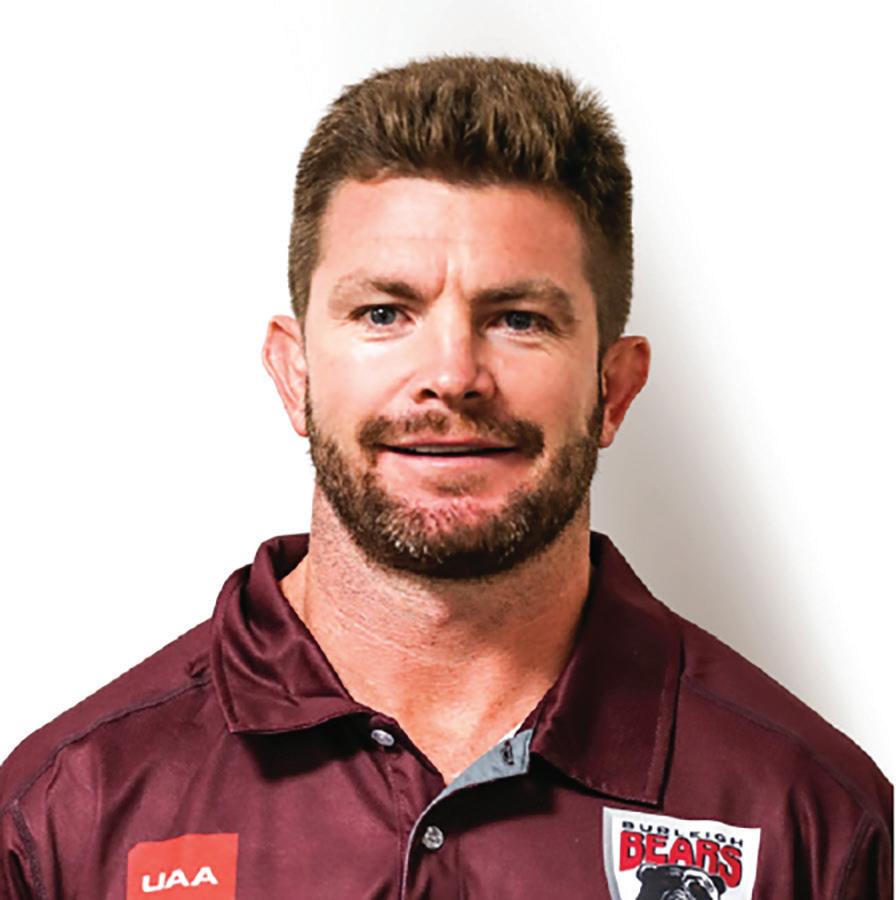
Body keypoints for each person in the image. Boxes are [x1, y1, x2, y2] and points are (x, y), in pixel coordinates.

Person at [0, 55, 890, 900]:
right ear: (294, 373)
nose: (453, 375)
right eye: (385, 312)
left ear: (613, 391)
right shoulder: (62, 815)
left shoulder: (815, 820)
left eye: (519, 319)